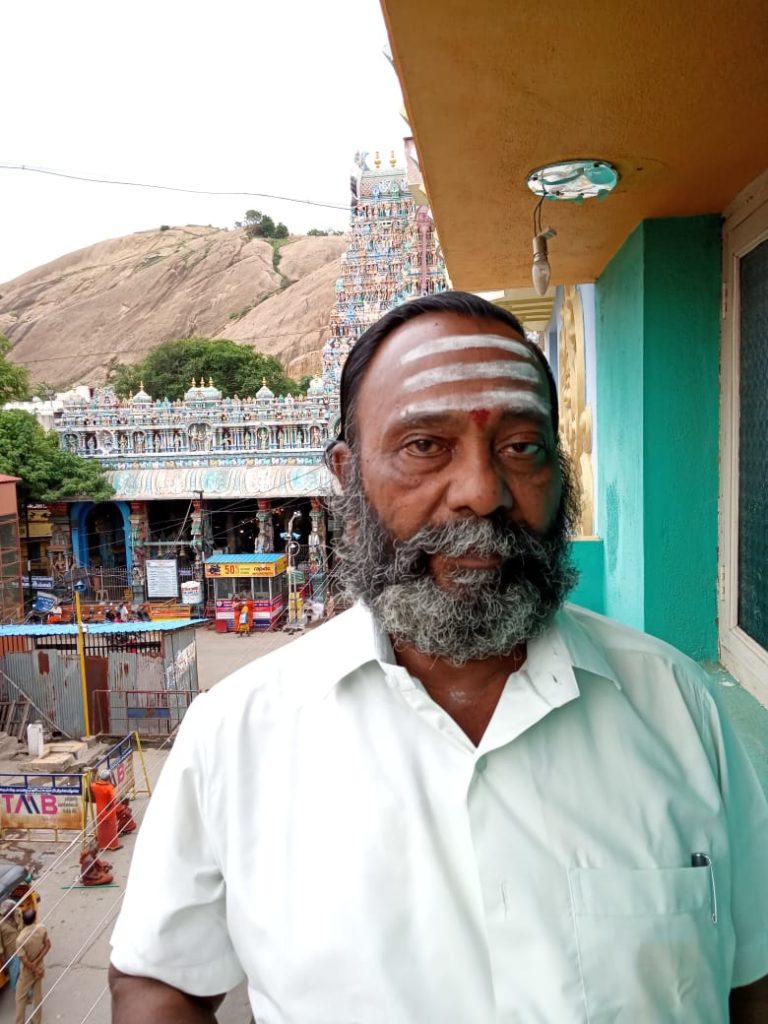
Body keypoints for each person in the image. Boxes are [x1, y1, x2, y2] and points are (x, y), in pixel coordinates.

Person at [109, 292, 768, 1022]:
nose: (482, 493)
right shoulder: (238, 732)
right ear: (347, 474)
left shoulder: (675, 704)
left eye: (521, 447)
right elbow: (161, 981)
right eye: (425, 446)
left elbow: (754, 977)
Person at [14, 907, 49, 1024]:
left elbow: (24, 961)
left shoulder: (20, 939)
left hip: (27, 972)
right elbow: (47, 945)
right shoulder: (42, 929)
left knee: (20, 998)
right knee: (37, 995)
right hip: (39, 967)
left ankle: (20, 1022)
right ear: (34, 919)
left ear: (23, 920)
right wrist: (38, 963)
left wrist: (34, 968)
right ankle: (36, 1020)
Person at [90, 767, 122, 852]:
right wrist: (109, 807)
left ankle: (103, 845)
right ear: (108, 778)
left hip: (100, 811)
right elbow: (113, 798)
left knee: (102, 829)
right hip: (109, 811)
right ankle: (113, 845)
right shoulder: (109, 787)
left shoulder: (95, 786)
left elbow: (91, 784)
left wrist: (93, 774)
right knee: (111, 829)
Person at [0, 898, 20, 990]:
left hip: (22, 947)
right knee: (15, 973)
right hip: (11, 954)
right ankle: (18, 989)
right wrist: (4, 962)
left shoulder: (16, 914)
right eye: (13, 910)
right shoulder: (1, 924)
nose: (15, 910)